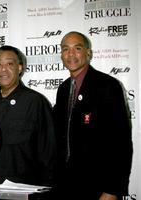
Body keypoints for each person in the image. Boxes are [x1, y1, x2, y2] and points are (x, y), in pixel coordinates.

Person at [53, 31, 133, 200]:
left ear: (88, 53)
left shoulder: (108, 86)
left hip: (98, 188)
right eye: (65, 49)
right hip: (66, 186)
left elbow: (121, 142)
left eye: (77, 48)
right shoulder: (63, 89)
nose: (71, 54)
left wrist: (112, 190)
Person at [0, 45, 56, 186]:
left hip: (25, 188)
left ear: (20, 67)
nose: (3, 69)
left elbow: (49, 152)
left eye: (9, 64)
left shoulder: (35, 102)